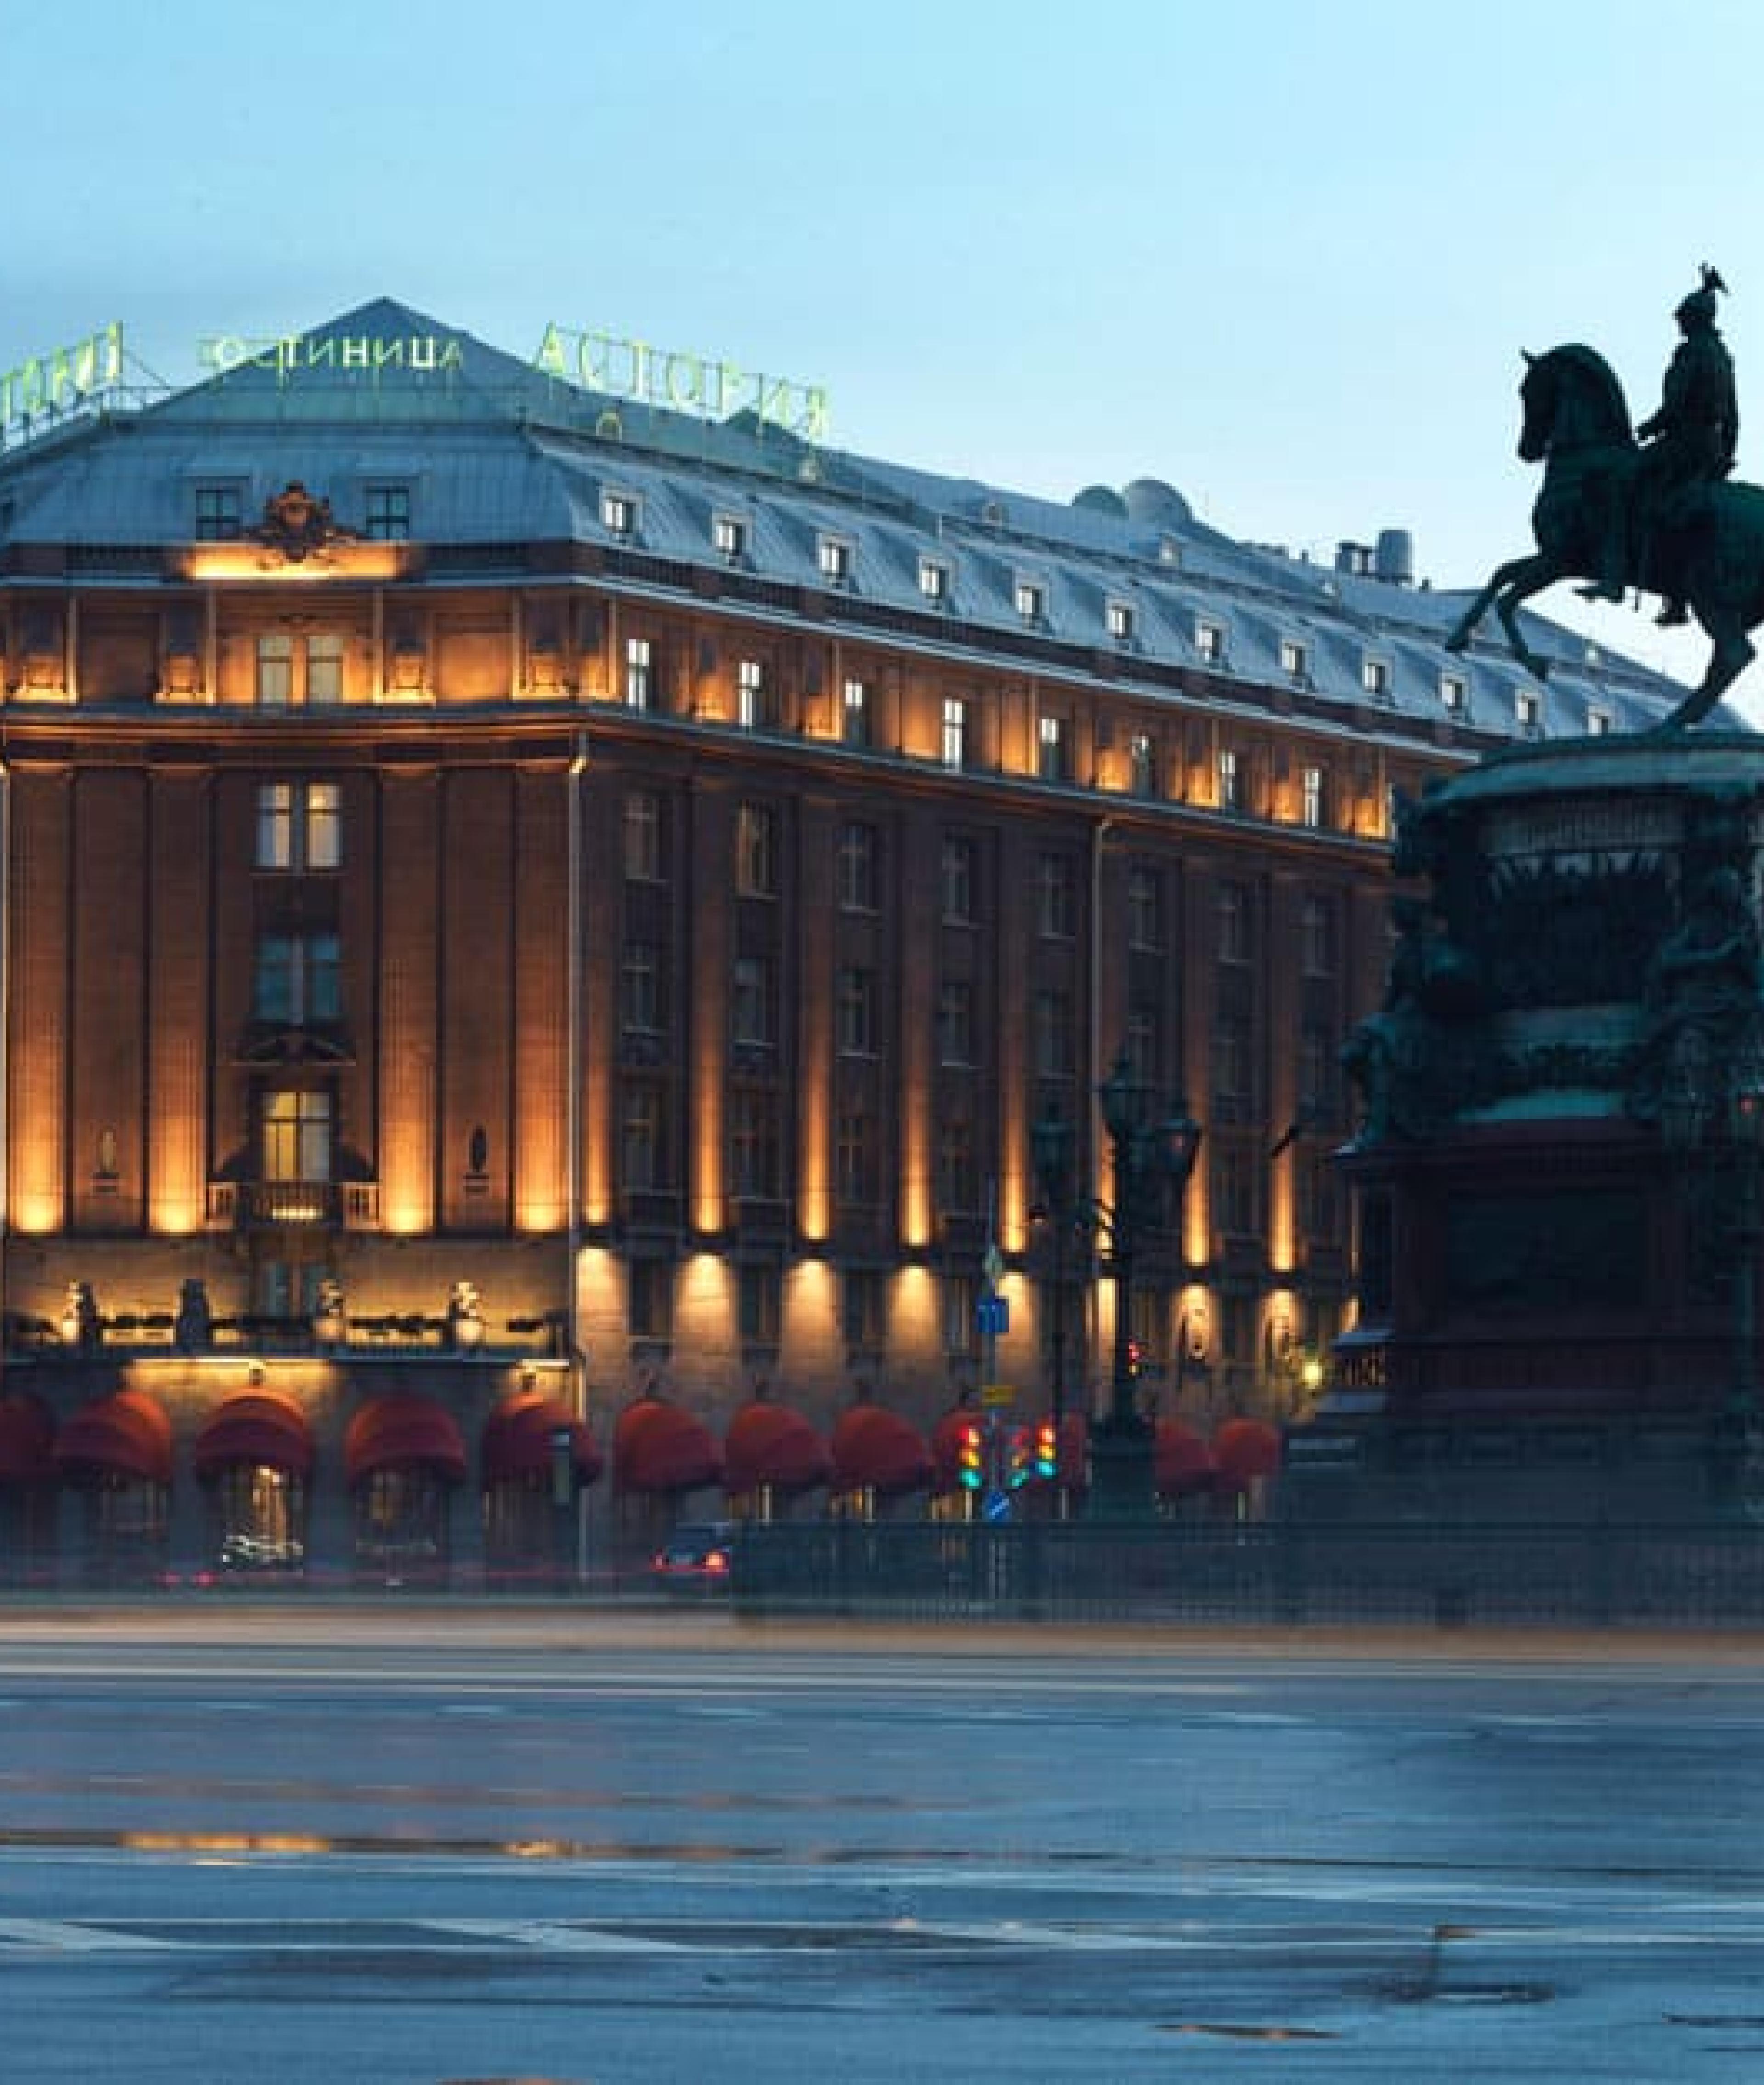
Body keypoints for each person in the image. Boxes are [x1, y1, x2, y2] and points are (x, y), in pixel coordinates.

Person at [1637, 265, 1739, 626]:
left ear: (1694, 319)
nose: (1679, 325)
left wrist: (1652, 425)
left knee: (1628, 482)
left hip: (1683, 443)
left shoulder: (1692, 354)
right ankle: (1676, 597)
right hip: (1710, 447)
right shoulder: (1723, 357)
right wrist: (1726, 453)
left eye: (1683, 319)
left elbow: (1677, 403)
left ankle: (1618, 573)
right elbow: (1734, 411)